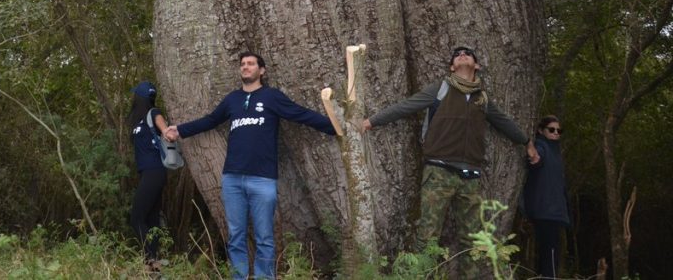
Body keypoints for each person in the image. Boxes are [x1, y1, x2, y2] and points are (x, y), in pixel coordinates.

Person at [360, 45, 539, 278]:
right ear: (452, 66)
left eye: (468, 54)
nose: (462, 55)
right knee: (427, 235)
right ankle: (419, 276)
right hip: (439, 172)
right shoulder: (441, 89)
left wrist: (527, 142)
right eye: (457, 55)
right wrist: (370, 122)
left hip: (470, 177)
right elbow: (407, 106)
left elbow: (503, 122)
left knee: (473, 239)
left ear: (477, 65)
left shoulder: (481, 98)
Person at [165, 52, 338, 280]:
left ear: (262, 70)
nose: (245, 67)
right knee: (236, 235)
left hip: (262, 179)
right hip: (232, 179)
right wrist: (180, 130)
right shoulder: (232, 99)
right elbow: (210, 120)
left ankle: (264, 277)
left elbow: (301, 114)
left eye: (250, 64)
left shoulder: (272, 97)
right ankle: (239, 276)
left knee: (264, 237)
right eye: (242, 64)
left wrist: (334, 126)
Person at [128, 81, 169, 271]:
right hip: (147, 171)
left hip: (155, 170)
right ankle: (155, 266)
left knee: (136, 217)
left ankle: (151, 259)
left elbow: (166, 130)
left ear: (141, 97)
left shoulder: (153, 113)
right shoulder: (138, 119)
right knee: (151, 220)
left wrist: (168, 132)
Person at [522, 115, 569, 279]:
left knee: (550, 250)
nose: (556, 133)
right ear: (541, 131)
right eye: (551, 129)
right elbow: (536, 158)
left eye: (559, 130)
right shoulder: (542, 146)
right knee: (550, 251)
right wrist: (532, 153)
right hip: (544, 209)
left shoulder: (556, 152)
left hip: (554, 210)